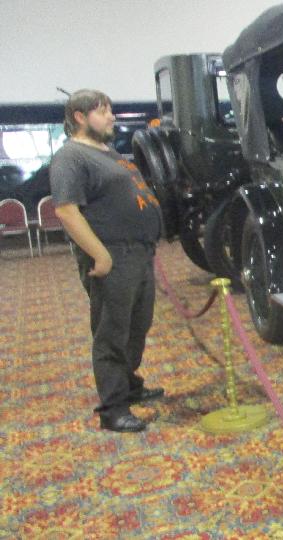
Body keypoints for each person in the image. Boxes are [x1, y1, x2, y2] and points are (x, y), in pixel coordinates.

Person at [50, 89, 164, 432]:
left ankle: (128, 384)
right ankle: (113, 409)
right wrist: (100, 255)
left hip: (138, 254)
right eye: (103, 111)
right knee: (112, 332)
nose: (111, 117)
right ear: (80, 117)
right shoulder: (71, 157)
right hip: (113, 257)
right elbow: (66, 211)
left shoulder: (107, 152)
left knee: (137, 325)